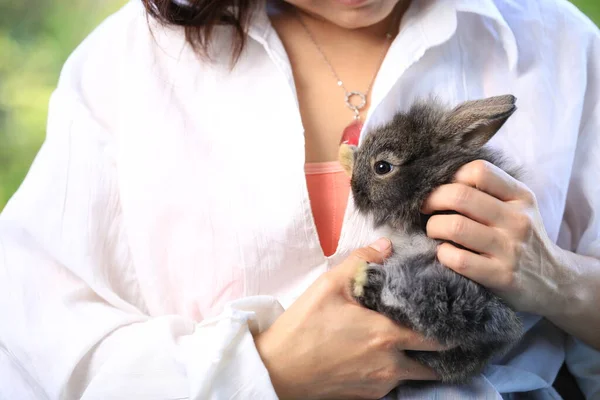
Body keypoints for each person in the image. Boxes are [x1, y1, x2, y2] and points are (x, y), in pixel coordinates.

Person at [0, 0, 599, 398]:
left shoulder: (559, 46)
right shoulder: (128, 64)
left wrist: (562, 281)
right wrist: (265, 373)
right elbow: (33, 343)